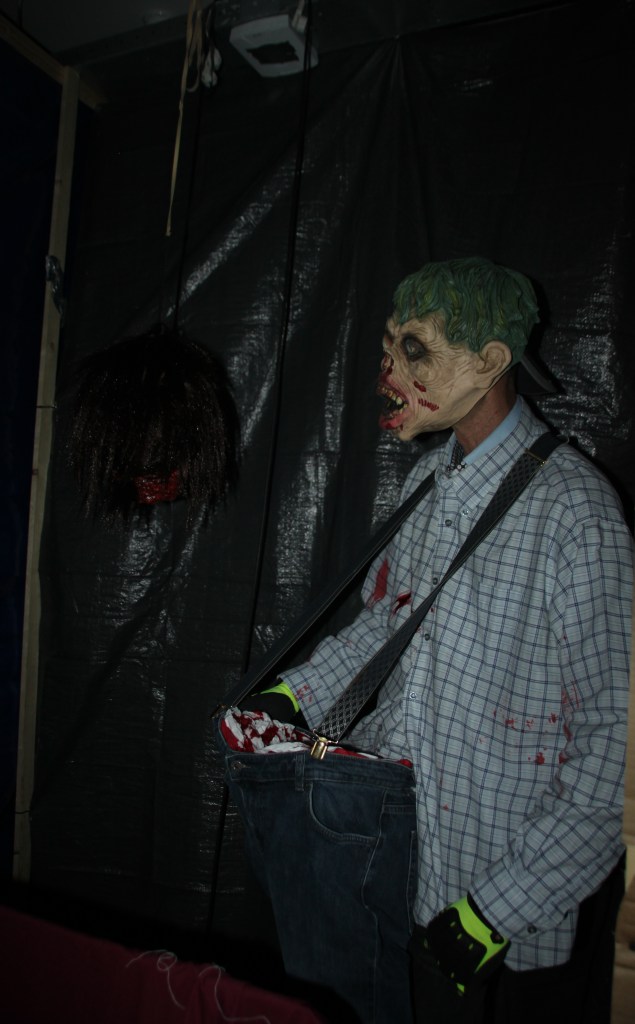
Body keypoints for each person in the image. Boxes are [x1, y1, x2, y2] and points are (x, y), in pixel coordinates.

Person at [224, 257, 632, 1024]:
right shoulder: (425, 486)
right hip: (398, 869)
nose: (387, 368)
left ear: (489, 361)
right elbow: (385, 623)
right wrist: (286, 699)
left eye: (413, 348)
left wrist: (493, 912)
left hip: (501, 917)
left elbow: (615, 754)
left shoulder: (576, 515)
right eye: (388, 344)